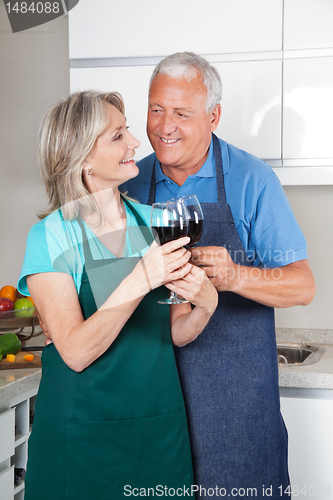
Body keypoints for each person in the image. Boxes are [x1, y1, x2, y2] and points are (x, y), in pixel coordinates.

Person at [120, 52, 316, 499]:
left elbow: (303, 286)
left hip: (237, 411)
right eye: (155, 108)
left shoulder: (251, 179)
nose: (164, 126)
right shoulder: (130, 182)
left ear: (214, 116)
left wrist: (233, 276)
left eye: (182, 113)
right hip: (153, 400)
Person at [17, 90, 218, 500]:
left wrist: (207, 304)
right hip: (80, 439)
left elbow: (174, 332)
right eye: (117, 135)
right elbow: (74, 351)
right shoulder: (51, 236)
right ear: (82, 157)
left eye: (126, 130)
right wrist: (141, 277)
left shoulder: (158, 222)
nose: (135, 143)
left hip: (158, 433)